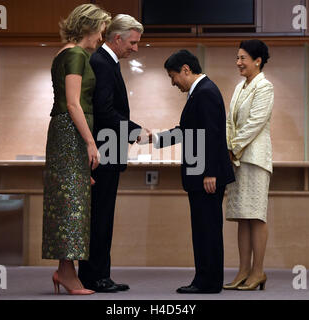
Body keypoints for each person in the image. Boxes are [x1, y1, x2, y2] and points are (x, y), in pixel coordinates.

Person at [42, 4, 111, 295]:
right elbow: (73, 103)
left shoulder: (66, 53)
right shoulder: (75, 54)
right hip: (71, 134)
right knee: (71, 206)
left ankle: (66, 271)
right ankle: (67, 274)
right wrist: (90, 142)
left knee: (69, 204)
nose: (101, 38)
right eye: (101, 31)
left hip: (66, 133)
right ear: (88, 27)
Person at [153, 49, 235, 293]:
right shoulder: (199, 92)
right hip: (201, 173)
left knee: (207, 228)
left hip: (206, 175)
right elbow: (186, 130)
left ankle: (208, 282)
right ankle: (204, 279)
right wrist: (154, 139)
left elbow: (212, 133)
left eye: (173, 76)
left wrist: (210, 172)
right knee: (202, 228)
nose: (173, 82)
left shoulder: (206, 92)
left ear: (186, 69)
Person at [78, 14, 150, 292]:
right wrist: (136, 131)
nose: (135, 48)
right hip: (104, 153)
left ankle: (99, 275)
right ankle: (95, 277)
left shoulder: (108, 62)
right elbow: (105, 111)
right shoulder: (102, 63)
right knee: (99, 218)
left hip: (108, 152)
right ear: (117, 38)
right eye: (132, 42)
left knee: (103, 217)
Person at [224, 39, 274, 291]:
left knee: (256, 215)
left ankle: (258, 271)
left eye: (243, 58)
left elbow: (255, 122)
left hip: (254, 159)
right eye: (237, 58)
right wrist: (228, 145)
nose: (238, 63)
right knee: (242, 217)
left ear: (258, 60)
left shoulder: (265, 87)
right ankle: (243, 270)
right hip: (237, 159)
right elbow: (230, 122)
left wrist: (234, 147)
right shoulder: (239, 87)